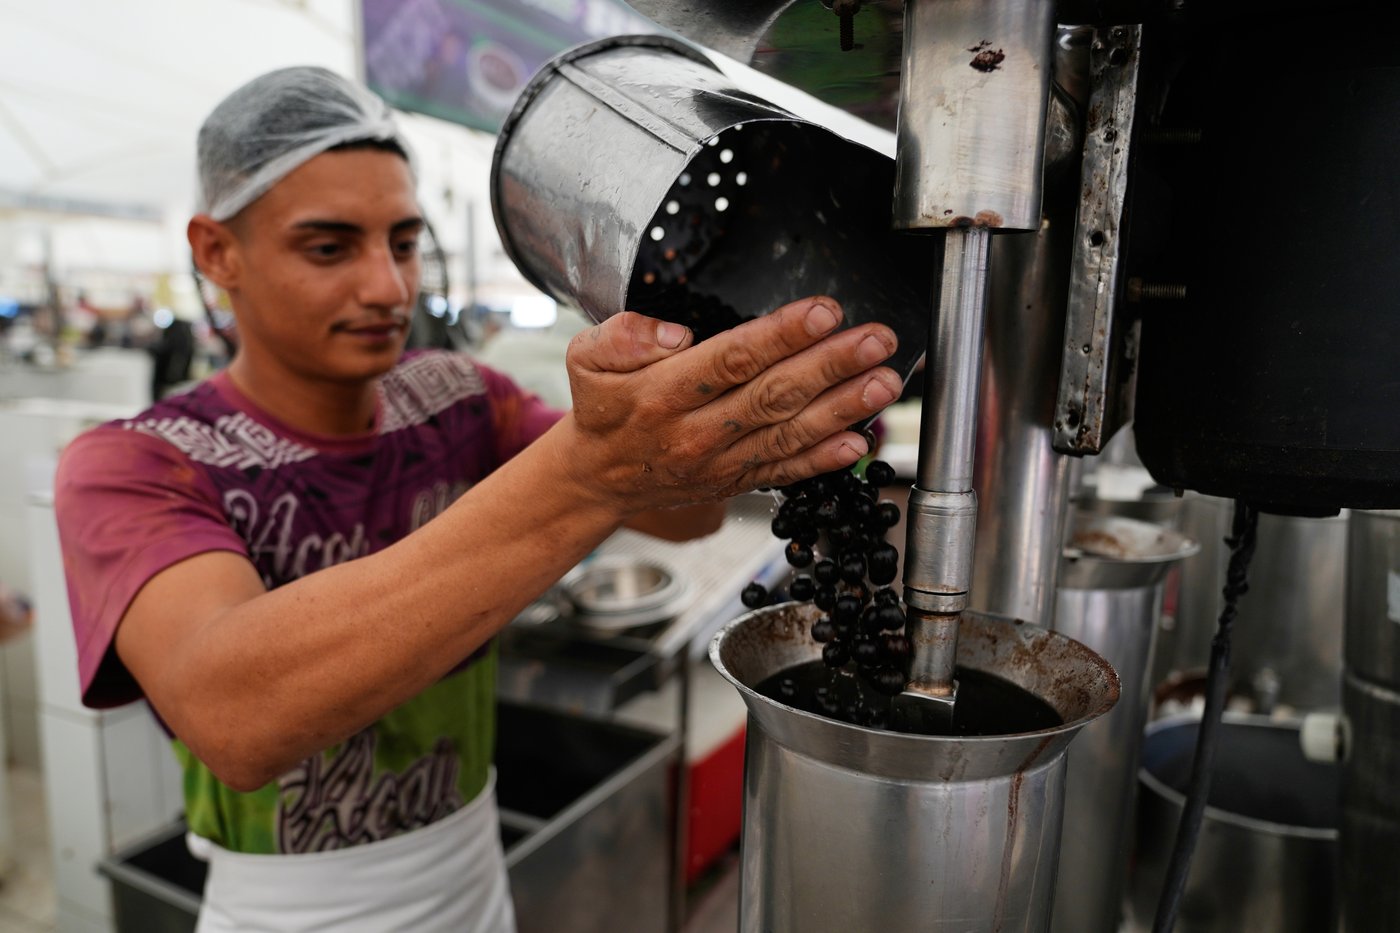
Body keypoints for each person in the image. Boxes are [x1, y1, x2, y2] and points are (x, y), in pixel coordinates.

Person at [53, 67, 901, 932]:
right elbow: (235, 714)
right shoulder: (137, 462)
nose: (387, 287)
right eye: (328, 247)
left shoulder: (461, 399)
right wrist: (592, 471)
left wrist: (686, 409)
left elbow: (687, 514)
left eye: (404, 241)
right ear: (215, 252)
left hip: (474, 884)